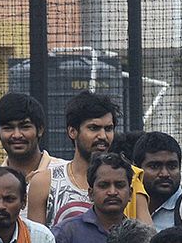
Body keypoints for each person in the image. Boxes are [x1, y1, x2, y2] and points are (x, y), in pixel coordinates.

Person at [53, 152, 143, 243]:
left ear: (131, 193)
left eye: (119, 185)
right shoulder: (66, 233)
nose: (112, 192)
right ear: (91, 193)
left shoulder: (139, 236)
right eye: (104, 185)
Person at [30, 91, 117, 228]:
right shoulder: (44, 182)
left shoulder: (126, 181)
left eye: (108, 129)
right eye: (93, 128)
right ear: (72, 131)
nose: (103, 136)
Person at [0, 92, 55, 185]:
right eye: (8, 128)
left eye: (25, 127)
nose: (17, 135)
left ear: (40, 130)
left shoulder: (68, 176)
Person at [132, 131, 182, 232]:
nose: (165, 174)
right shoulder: (125, 205)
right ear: (136, 169)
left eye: (172, 166)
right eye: (154, 166)